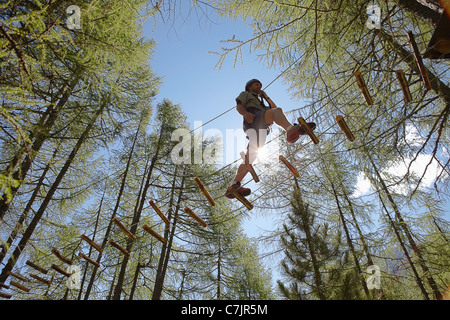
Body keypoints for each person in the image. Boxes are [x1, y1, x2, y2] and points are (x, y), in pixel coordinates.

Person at [225, 78, 315, 199]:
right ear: (249, 87)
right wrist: (245, 114)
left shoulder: (261, 100)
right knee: (275, 112)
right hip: (254, 118)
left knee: (250, 157)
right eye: (256, 85)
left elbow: (275, 108)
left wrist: (266, 97)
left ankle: (234, 185)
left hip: (262, 128)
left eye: (260, 85)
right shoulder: (245, 94)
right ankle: (290, 131)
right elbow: (239, 106)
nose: (259, 87)